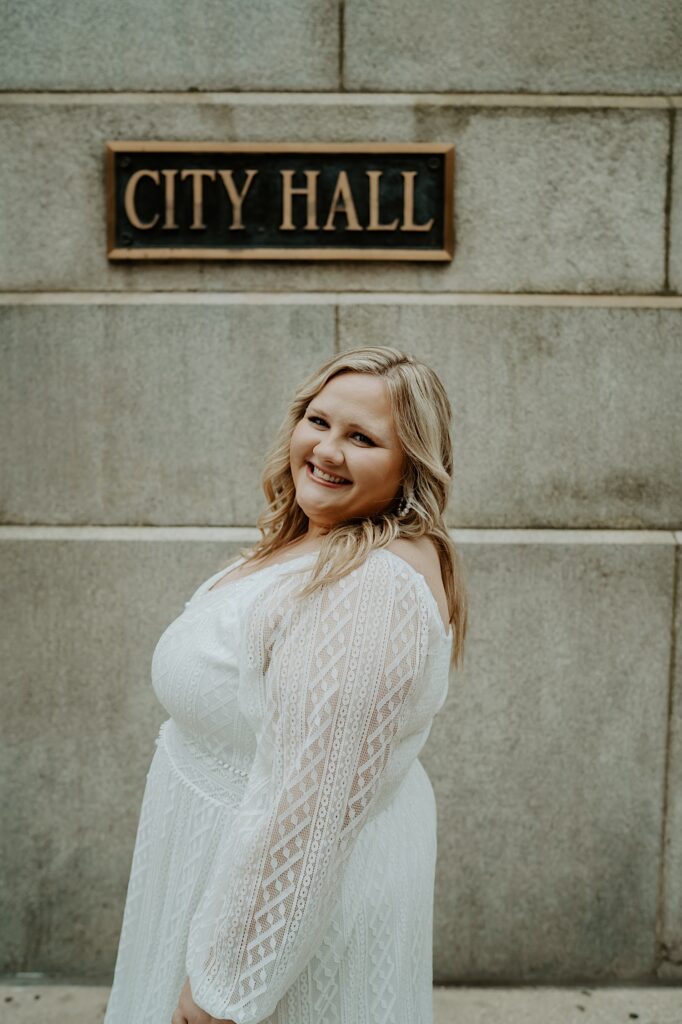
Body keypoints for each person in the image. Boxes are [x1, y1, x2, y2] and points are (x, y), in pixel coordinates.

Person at [103, 346, 468, 1024]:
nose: (327, 449)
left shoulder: (372, 589)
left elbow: (311, 810)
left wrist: (224, 986)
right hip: (217, 877)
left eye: (362, 438)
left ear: (409, 466)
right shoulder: (326, 539)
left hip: (264, 925)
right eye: (318, 420)